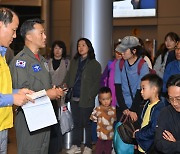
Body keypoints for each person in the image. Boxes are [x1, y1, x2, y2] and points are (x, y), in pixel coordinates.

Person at [9, 18, 64, 154]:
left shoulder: (43, 61)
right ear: (29, 36)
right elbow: (22, 95)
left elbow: (44, 85)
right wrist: (48, 93)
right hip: (29, 119)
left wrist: (54, 90)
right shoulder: (20, 61)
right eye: (41, 33)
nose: (45, 37)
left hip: (44, 116)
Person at [0, 7, 34, 154]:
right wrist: (12, 98)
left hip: (3, 125)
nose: (14, 36)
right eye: (13, 30)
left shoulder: (2, 55)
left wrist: (17, 92)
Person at [64, 38, 101, 154]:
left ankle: (89, 146)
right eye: (79, 45)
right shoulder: (74, 62)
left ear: (89, 47)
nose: (80, 47)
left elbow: (97, 82)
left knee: (86, 123)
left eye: (83, 45)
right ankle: (76, 145)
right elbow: (69, 76)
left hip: (86, 99)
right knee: (77, 124)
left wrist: (91, 95)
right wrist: (65, 85)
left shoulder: (94, 64)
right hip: (74, 97)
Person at [114, 36, 149, 123]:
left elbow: (140, 89)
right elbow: (118, 87)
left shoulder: (143, 65)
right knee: (121, 134)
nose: (122, 53)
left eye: (125, 50)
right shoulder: (119, 64)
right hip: (122, 108)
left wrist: (132, 110)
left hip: (137, 107)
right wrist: (124, 108)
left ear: (134, 51)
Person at [47, 40, 70, 153]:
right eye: (55, 48)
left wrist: (62, 88)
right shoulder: (47, 62)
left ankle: (57, 147)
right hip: (49, 97)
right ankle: (51, 147)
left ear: (63, 50)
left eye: (60, 48)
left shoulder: (67, 63)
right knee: (50, 122)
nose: (57, 51)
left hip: (62, 97)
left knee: (59, 122)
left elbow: (70, 79)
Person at [134, 74, 165, 153]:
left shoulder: (159, 108)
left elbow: (154, 130)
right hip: (142, 145)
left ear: (154, 89)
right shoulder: (146, 104)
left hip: (149, 148)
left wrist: (138, 135)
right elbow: (143, 123)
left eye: (143, 88)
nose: (141, 92)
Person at [155, 74, 180, 154]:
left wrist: (174, 144)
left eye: (178, 99)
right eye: (171, 99)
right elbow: (159, 143)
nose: (174, 103)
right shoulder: (165, 113)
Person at [90, 87, 116, 154]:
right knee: (98, 150)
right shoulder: (97, 109)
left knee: (108, 151)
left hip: (109, 136)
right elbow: (93, 121)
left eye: (108, 99)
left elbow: (115, 122)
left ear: (111, 98)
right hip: (100, 137)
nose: (106, 101)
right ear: (99, 100)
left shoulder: (113, 110)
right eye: (103, 99)